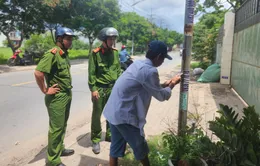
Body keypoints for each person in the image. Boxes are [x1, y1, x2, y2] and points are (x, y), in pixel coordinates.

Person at [103, 40, 182, 166]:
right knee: (140, 148)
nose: (162, 62)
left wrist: (163, 84)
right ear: (158, 57)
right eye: (163, 59)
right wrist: (173, 83)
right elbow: (162, 96)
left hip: (113, 111)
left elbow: (145, 86)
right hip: (125, 116)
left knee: (116, 147)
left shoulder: (138, 64)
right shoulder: (150, 71)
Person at [34, 27, 75, 166]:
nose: (70, 42)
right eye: (68, 39)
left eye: (71, 39)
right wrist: (45, 90)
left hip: (66, 94)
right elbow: (38, 73)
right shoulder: (52, 54)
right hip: (57, 97)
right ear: (59, 39)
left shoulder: (64, 54)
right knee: (56, 128)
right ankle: (53, 160)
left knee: (62, 125)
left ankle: (60, 149)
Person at [88, 27, 121, 154]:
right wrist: (93, 89)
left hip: (113, 88)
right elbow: (91, 73)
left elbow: (118, 71)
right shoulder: (95, 54)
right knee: (97, 115)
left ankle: (109, 134)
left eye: (114, 38)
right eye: (110, 38)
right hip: (100, 89)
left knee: (111, 113)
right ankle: (96, 139)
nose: (112, 41)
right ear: (104, 39)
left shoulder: (115, 52)